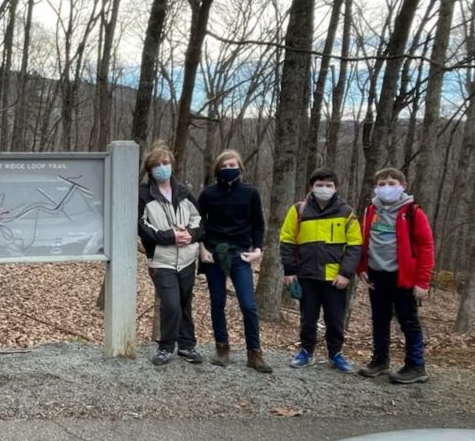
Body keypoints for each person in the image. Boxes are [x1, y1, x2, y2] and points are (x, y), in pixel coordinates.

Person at [279, 168, 362, 374]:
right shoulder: (299, 210)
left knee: (335, 319)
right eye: (319, 185)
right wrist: (289, 270)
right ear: (311, 187)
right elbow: (287, 240)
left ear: (336, 188)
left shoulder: (346, 212)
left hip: (335, 277)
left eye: (328, 185)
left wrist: (346, 274)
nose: (324, 189)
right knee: (308, 318)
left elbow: (355, 245)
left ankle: (336, 354)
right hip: (306, 275)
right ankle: (306, 351)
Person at [196, 149, 272, 373]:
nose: (229, 169)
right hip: (213, 253)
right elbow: (198, 223)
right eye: (225, 166)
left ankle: (254, 353)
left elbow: (258, 223)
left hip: (240, 253)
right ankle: (222, 348)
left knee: (248, 304)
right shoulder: (208, 194)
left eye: (233, 166)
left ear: (240, 167)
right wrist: (201, 249)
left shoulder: (251, 193)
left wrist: (258, 250)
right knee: (217, 302)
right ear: (218, 169)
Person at [357, 167, 434, 384]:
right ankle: (380, 360)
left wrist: (422, 281)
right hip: (376, 274)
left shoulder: (413, 212)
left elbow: (426, 246)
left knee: (408, 321)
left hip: (404, 277)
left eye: (392, 183)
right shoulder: (370, 210)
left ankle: (416, 365)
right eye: (382, 184)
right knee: (379, 319)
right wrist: (361, 268)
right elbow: (364, 240)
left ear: (403, 186)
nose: (386, 187)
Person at [138, 145, 204, 366]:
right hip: (161, 259)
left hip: (186, 258)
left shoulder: (184, 192)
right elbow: (141, 226)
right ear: (150, 169)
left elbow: (200, 220)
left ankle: (187, 346)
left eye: (165, 163)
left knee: (184, 303)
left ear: (172, 164)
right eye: (156, 165)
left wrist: (191, 234)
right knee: (171, 303)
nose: (162, 168)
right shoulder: (143, 194)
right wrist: (169, 237)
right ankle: (166, 347)